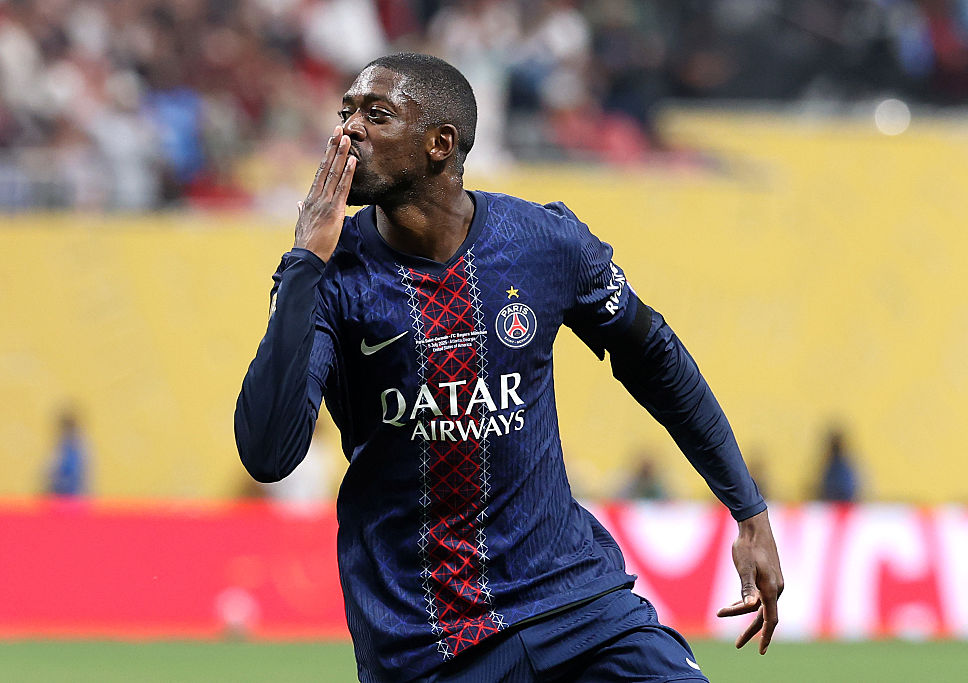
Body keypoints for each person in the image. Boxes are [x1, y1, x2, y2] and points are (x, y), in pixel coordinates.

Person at [235, 52, 783, 682]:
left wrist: (748, 512)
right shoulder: (331, 275)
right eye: (346, 113)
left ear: (440, 144)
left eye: (375, 114)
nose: (348, 131)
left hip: (574, 607)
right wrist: (304, 261)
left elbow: (657, 362)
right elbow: (268, 455)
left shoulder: (542, 243)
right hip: (424, 642)